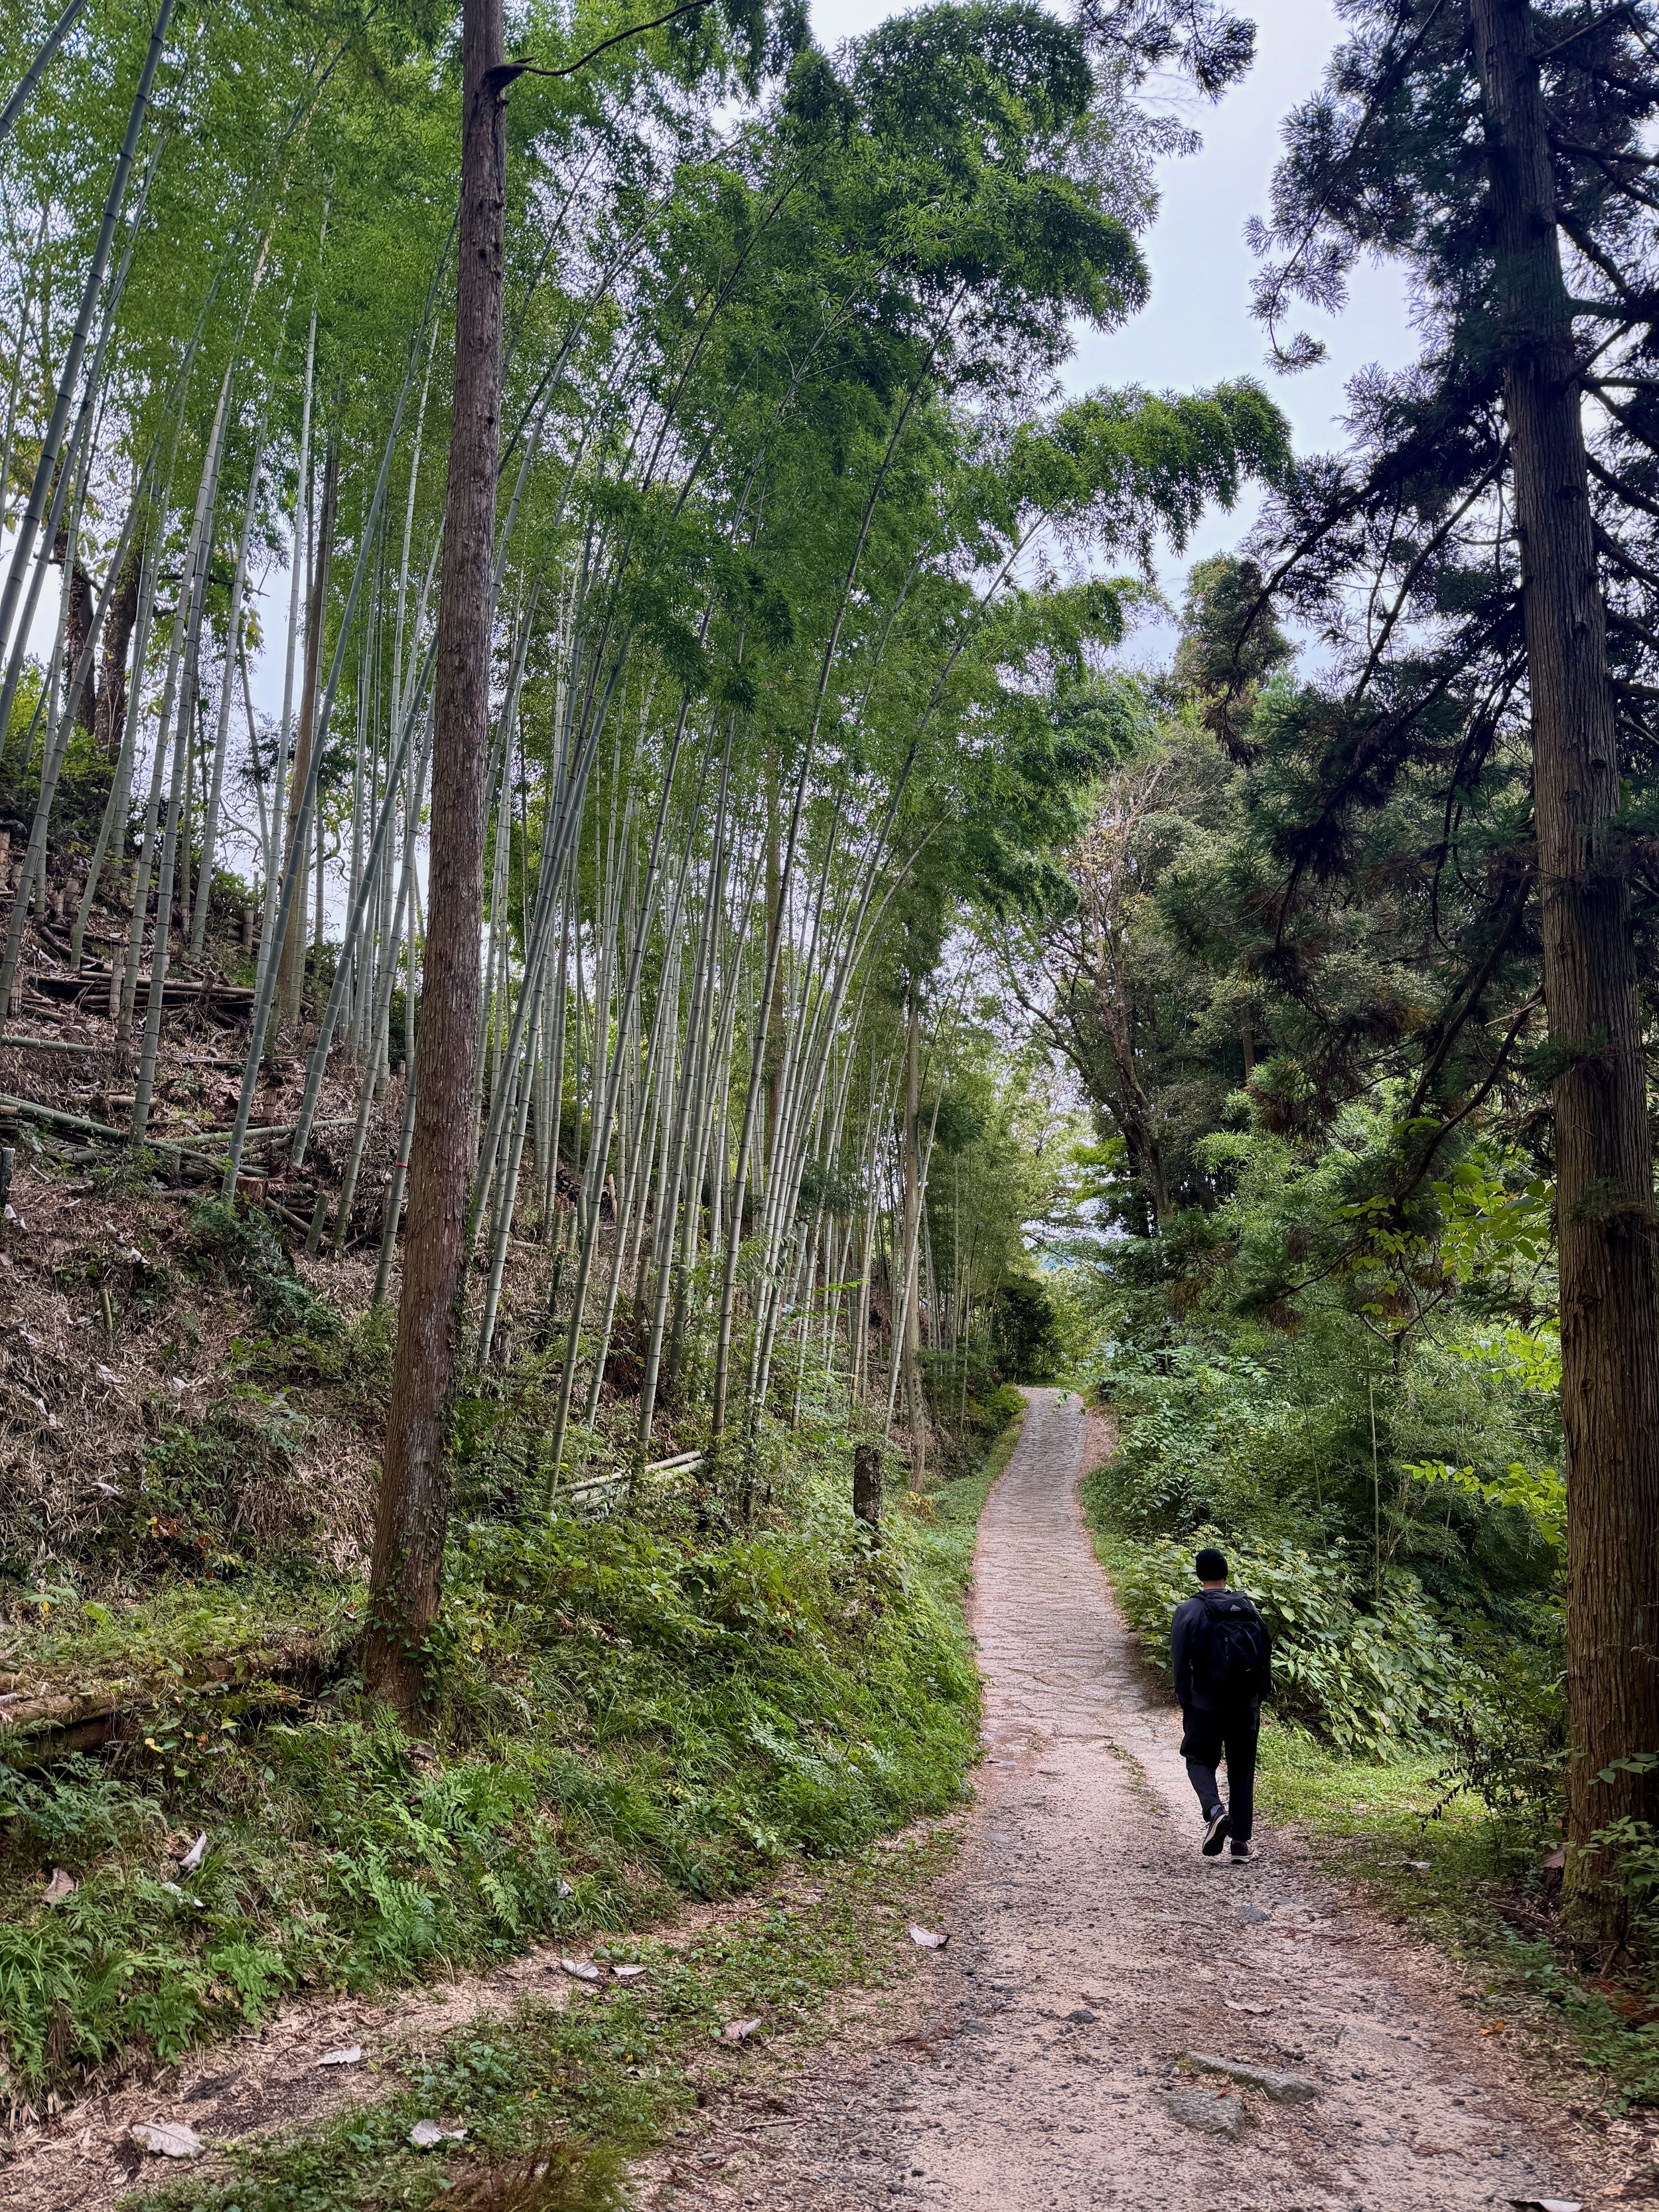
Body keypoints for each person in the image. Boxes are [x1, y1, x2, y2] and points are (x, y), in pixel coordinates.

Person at [1170, 1547, 1271, 1862]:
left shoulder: (1187, 1611)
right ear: (1226, 1575)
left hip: (1205, 1704)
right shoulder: (1248, 1609)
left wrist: (1186, 1701)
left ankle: (1215, 1811)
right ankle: (1240, 1844)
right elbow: (1264, 1655)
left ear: (1198, 1575)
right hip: (1245, 1705)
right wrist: (1258, 1699)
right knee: (1242, 1770)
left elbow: (1179, 1662)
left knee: (1198, 1760)